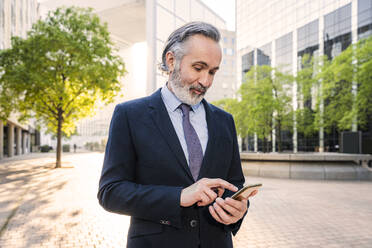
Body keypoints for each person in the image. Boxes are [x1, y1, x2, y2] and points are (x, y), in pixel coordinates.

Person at [98, 22, 258, 248]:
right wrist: (179, 196)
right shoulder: (129, 115)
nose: (206, 81)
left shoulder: (225, 121)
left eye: (212, 71)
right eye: (199, 68)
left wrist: (238, 211)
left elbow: (234, 185)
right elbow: (111, 192)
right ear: (171, 61)